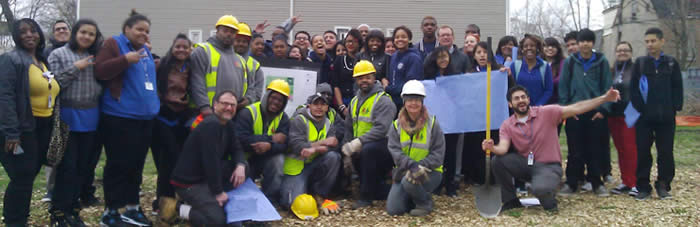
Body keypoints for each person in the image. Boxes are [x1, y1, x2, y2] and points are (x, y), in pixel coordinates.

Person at [483, 85, 621, 213]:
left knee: (541, 191)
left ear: (528, 99)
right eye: (516, 98)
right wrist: (492, 147)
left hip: (549, 166)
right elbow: (503, 148)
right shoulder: (507, 125)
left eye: (523, 97)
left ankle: (548, 198)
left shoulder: (546, 112)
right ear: (510, 104)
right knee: (497, 161)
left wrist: (605, 98)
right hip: (526, 164)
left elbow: (578, 107)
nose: (521, 101)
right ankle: (510, 200)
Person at [94, 10, 159, 226]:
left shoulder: (144, 50)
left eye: (147, 31)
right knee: (118, 165)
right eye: (139, 29)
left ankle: (132, 208)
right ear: (126, 29)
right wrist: (124, 60)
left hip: (145, 119)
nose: (144, 33)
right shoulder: (114, 44)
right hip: (120, 117)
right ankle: (110, 211)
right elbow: (100, 71)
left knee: (136, 166)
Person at [0, 18, 59, 227]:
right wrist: (12, 133)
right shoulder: (11, 60)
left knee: (28, 176)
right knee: (22, 177)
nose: (29, 35)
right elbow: (4, 97)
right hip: (22, 127)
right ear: (17, 36)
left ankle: (19, 218)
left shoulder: (42, 60)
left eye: (33, 30)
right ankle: (15, 221)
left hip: (41, 127)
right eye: (23, 32)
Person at [159, 91, 247, 226]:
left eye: (233, 105)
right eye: (225, 104)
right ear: (215, 105)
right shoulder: (211, 125)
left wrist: (240, 165)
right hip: (189, 183)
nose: (229, 108)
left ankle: (210, 201)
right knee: (218, 220)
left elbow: (237, 148)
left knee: (244, 167)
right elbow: (210, 161)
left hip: (206, 176)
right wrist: (218, 192)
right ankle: (176, 207)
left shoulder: (228, 124)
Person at [46, 18, 102, 226]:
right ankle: (58, 211)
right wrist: (75, 68)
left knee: (83, 167)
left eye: (91, 34)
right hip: (67, 116)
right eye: (83, 32)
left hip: (91, 116)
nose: (87, 37)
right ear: (75, 33)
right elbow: (52, 84)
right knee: (67, 167)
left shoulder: (95, 56)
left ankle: (73, 209)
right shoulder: (58, 55)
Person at [557, 28, 613, 197]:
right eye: (582, 41)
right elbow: (563, 87)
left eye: (588, 41)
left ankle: (597, 182)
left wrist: (603, 109)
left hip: (595, 112)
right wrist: (566, 109)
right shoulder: (570, 62)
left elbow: (607, 87)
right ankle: (572, 182)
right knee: (575, 149)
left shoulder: (601, 61)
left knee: (595, 149)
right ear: (578, 43)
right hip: (575, 111)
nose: (585, 44)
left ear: (593, 43)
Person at [630, 28, 683, 200]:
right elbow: (634, 89)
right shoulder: (640, 63)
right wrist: (640, 108)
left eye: (653, 41)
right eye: (647, 41)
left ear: (662, 41)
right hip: (644, 118)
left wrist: (675, 107)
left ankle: (663, 184)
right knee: (643, 151)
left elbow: (677, 87)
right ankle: (643, 186)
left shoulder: (671, 63)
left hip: (666, 117)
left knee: (666, 152)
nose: (650, 44)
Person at [149, 33, 196, 213]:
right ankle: (161, 203)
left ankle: (175, 200)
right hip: (162, 116)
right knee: (167, 161)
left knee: (178, 162)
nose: (181, 50)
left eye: (185, 47)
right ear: (172, 47)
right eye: (178, 46)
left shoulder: (190, 67)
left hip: (181, 117)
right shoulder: (161, 65)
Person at [341, 60, 397, 209]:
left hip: (384, 149)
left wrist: (358, 142)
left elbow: (381, 129)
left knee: (368, 150)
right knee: (377, 188)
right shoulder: (354, 102)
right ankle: (381, 190)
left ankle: (365, 198)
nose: (364, 81)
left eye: (367, 77)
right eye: (360, 78)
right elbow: (348, 128)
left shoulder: (383, 100)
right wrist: (347, 149)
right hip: (363, 148)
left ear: (374, 77)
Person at [385, 80, 445, 216]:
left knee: (409, 181)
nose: (413, 103)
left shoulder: (433, 124)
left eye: (417, 99)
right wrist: (412, 166)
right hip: (403, 171)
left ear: (422, 101)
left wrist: (420, 167)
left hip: (430, 172)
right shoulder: (396, 126)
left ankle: (424, 203)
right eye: (410, 99)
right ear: (404, 102)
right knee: (394, 210)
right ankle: (414, 197)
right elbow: (395, 152)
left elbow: (438, 154)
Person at [280, 93, 343, 215]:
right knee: (290, 204)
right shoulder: (299, 119)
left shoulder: (328, 123)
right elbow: (297, 145)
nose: (319, 107)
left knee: (334, 157)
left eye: (323, 104)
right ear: (308, 106)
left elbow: (333, 144)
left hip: (313, 163)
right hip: (295, 168)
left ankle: (320, 194)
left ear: (327, 108)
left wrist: (313, 148)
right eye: (316, 104)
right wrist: (322, 144)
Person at [234, 79, 291, 205]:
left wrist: (269, 146)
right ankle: (242, 201)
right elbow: (239, 139)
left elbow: (286, 144)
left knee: (278, 160)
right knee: (241, 167)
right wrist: (271, 139)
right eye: (273, 97)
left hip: (266, 158)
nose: (276, 102)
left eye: (280, 100)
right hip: (246, 158)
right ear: (267, 96)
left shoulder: (284, 118)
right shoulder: (248, 113)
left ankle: (269, 201)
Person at [190, 15, 251, 119]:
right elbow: (196, 81)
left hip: (230, 115)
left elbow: (248, 87)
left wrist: (246, 101)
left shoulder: (240, 60)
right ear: (217, 31)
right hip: (204, 113)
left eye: (232, 32)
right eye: (225, 30)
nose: (228, 34)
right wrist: (204, 107)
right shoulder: (203, 51)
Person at [41, 19, 72, 203]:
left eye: (64, 28)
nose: (61, 31)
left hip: (75, 107)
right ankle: (50, 190)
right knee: (55, 146)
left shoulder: (77, 51)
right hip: (54, 107)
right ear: (53, 33)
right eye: (57, 29)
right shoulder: (46, 53)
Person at [607, 41, 638, 196]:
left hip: (630, 113)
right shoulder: (612, 70)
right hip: (614, 114)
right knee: (620, 148)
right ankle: (625, 180)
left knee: (630, 148)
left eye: (626, 50)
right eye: (619, 50)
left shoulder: (636, 69)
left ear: (631, 52)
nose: (622, 53)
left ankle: (635, 182)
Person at [510, 34, 553, 106]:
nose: (528, 48)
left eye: (532, 46)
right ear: (522, 49)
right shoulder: (515, 65)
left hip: (539, 110)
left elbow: (548, 90)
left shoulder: (545, 66)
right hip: (519, 110)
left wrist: (538, 106)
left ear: (537, 48)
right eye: (525, 46)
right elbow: (511, 88)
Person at [387, 26, 423, 110]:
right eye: (397, 37)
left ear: (409, 39)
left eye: (403, 37)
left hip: (407, 103)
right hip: (393, 102)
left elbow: (410, 85)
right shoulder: (394, 56)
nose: (400, 39)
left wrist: (387, 88)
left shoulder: (414, 58)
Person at [330, 29, 362, 115]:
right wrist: (342, 107)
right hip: (343, 102)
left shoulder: (363, 60)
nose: (350, 44)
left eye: (353, 41)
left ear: (359, 43)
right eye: (348, 41)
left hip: (360, 102)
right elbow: (335, 85)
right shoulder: (339, 60)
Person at [233, 22, 265, 105]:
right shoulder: (223, 58)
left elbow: (257, 93)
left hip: (244, 110)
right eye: (238, 40)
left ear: (249, 43)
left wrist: (247, 101)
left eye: (244, 41)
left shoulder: (255, 66)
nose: (241, 44)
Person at [543, 37, 565, 105]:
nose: (550, 48)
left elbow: (560, 80)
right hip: (540, 103)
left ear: (558, 49)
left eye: (553, 46)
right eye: (547, 46)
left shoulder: (563, 62)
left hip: (557, 103)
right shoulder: (538, 63)